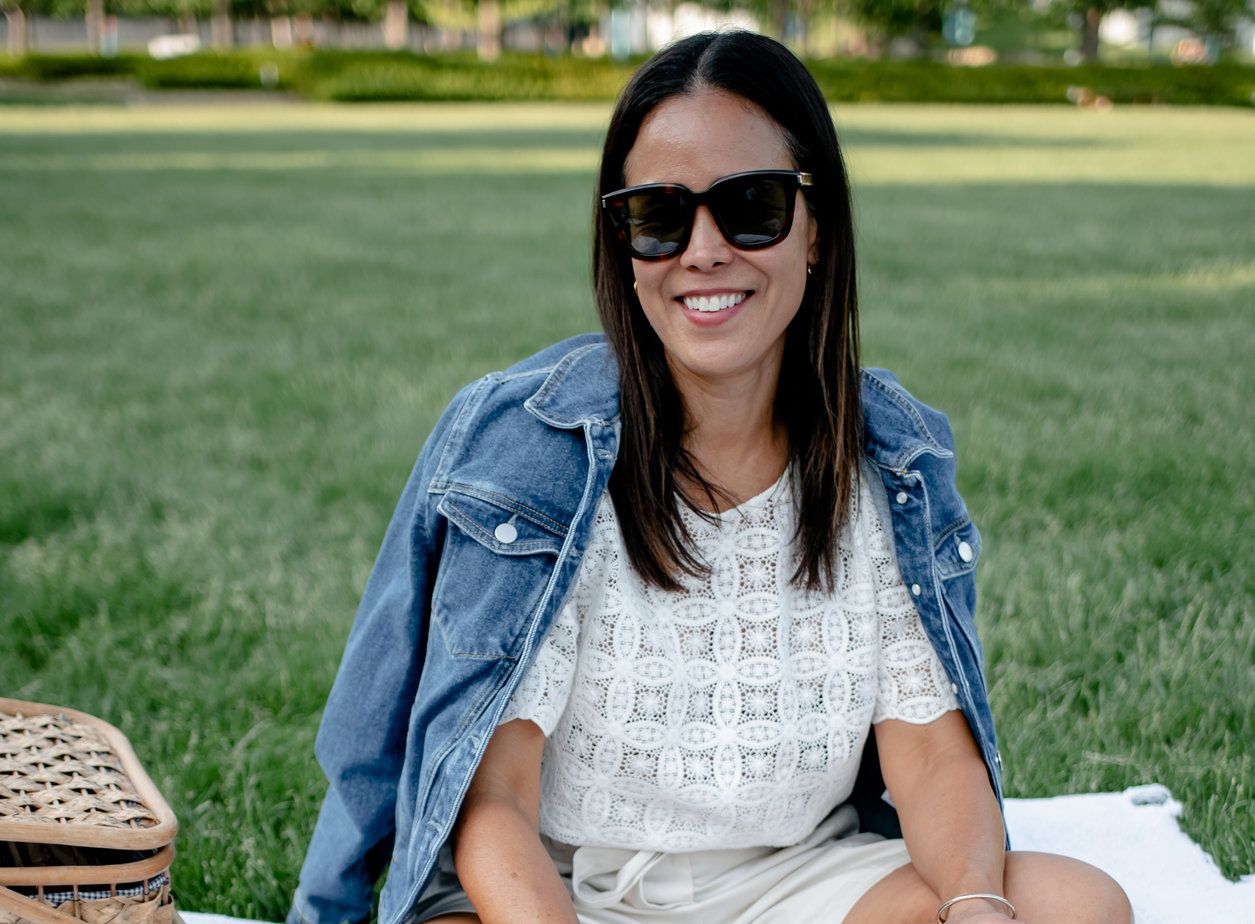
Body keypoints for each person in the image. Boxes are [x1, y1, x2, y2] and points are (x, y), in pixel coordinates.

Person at [288, 30, 1133, 924]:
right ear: (621, 244)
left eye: (751, 206)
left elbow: (930, 759)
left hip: (798, 879)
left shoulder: (887, 465)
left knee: (1071, 904)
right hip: (558, 884)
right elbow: (494, 802)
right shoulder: (537, 457)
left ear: (817, 230)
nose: (702, 250)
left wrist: (971, 905)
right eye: (658, 215)